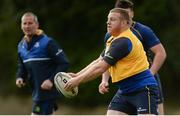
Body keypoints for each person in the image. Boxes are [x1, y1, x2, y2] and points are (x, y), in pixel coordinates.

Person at [65, 8, 159, 115]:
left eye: (112, 19)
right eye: (108, 19)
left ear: (124, 23)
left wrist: (78, 81)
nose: (108, 22)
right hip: (125, 91)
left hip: (143, 89)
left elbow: (101, 67)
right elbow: (98, 61)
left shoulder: (123, 41)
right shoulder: (113, 40)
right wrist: (77, 75)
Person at [99, 0, 166, 115]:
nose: (125, 17)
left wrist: (151, 72)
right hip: (128, 82)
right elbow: (106, 60)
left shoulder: (143, 31)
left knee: (159, 113)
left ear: (132, 14)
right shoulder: (110, 34)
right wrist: (104, 80)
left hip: (146, 78)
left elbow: (161, 53)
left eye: (127, 13)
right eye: (122, 13)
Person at [16, 12, 69, 115]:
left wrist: (51, 80)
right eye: (24, 23)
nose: (27, 26)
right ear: (21, 26)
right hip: (37, 93)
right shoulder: (21, 46)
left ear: (37, 25)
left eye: (30, 23)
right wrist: (20, 77)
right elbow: (22, 66)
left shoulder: (48, 43)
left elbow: (64, 63)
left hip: (48, 94)